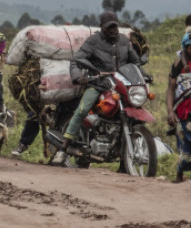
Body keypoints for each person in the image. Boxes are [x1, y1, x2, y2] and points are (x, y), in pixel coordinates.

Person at [58, 10, 143, 158]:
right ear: (102, 26)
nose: (112, 30)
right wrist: (78, 77)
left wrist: (143, 75)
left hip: (121, 85)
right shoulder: (93, 41)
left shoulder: (124, 41)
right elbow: (76, 60)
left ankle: (124, 159)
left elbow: (135, 62)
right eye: (109, 27)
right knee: (82, 110)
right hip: (98, 84)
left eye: (114, 26)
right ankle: (64, 147)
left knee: (134, 109)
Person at [167, 33, 191, 183]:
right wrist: (170, 111)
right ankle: (179, 174)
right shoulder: (178, 66)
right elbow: (170, 89)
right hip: (183, 113)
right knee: (185, 151)